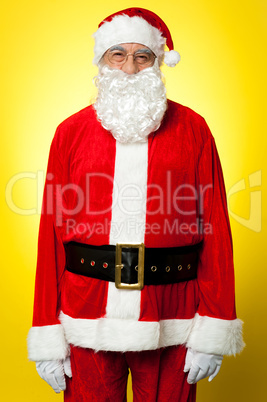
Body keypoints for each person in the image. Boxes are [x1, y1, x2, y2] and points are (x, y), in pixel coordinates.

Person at [27, 8, 245, 401]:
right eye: (118, 54)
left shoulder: (194, 129)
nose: (129, 67)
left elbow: (215, 229)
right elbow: (50, 234)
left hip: (172, 311)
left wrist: (215, 325)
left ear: (158, 63)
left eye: (142, 56)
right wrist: (47, 330)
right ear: (101, 61)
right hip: (86, 311)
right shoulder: (69, 133)